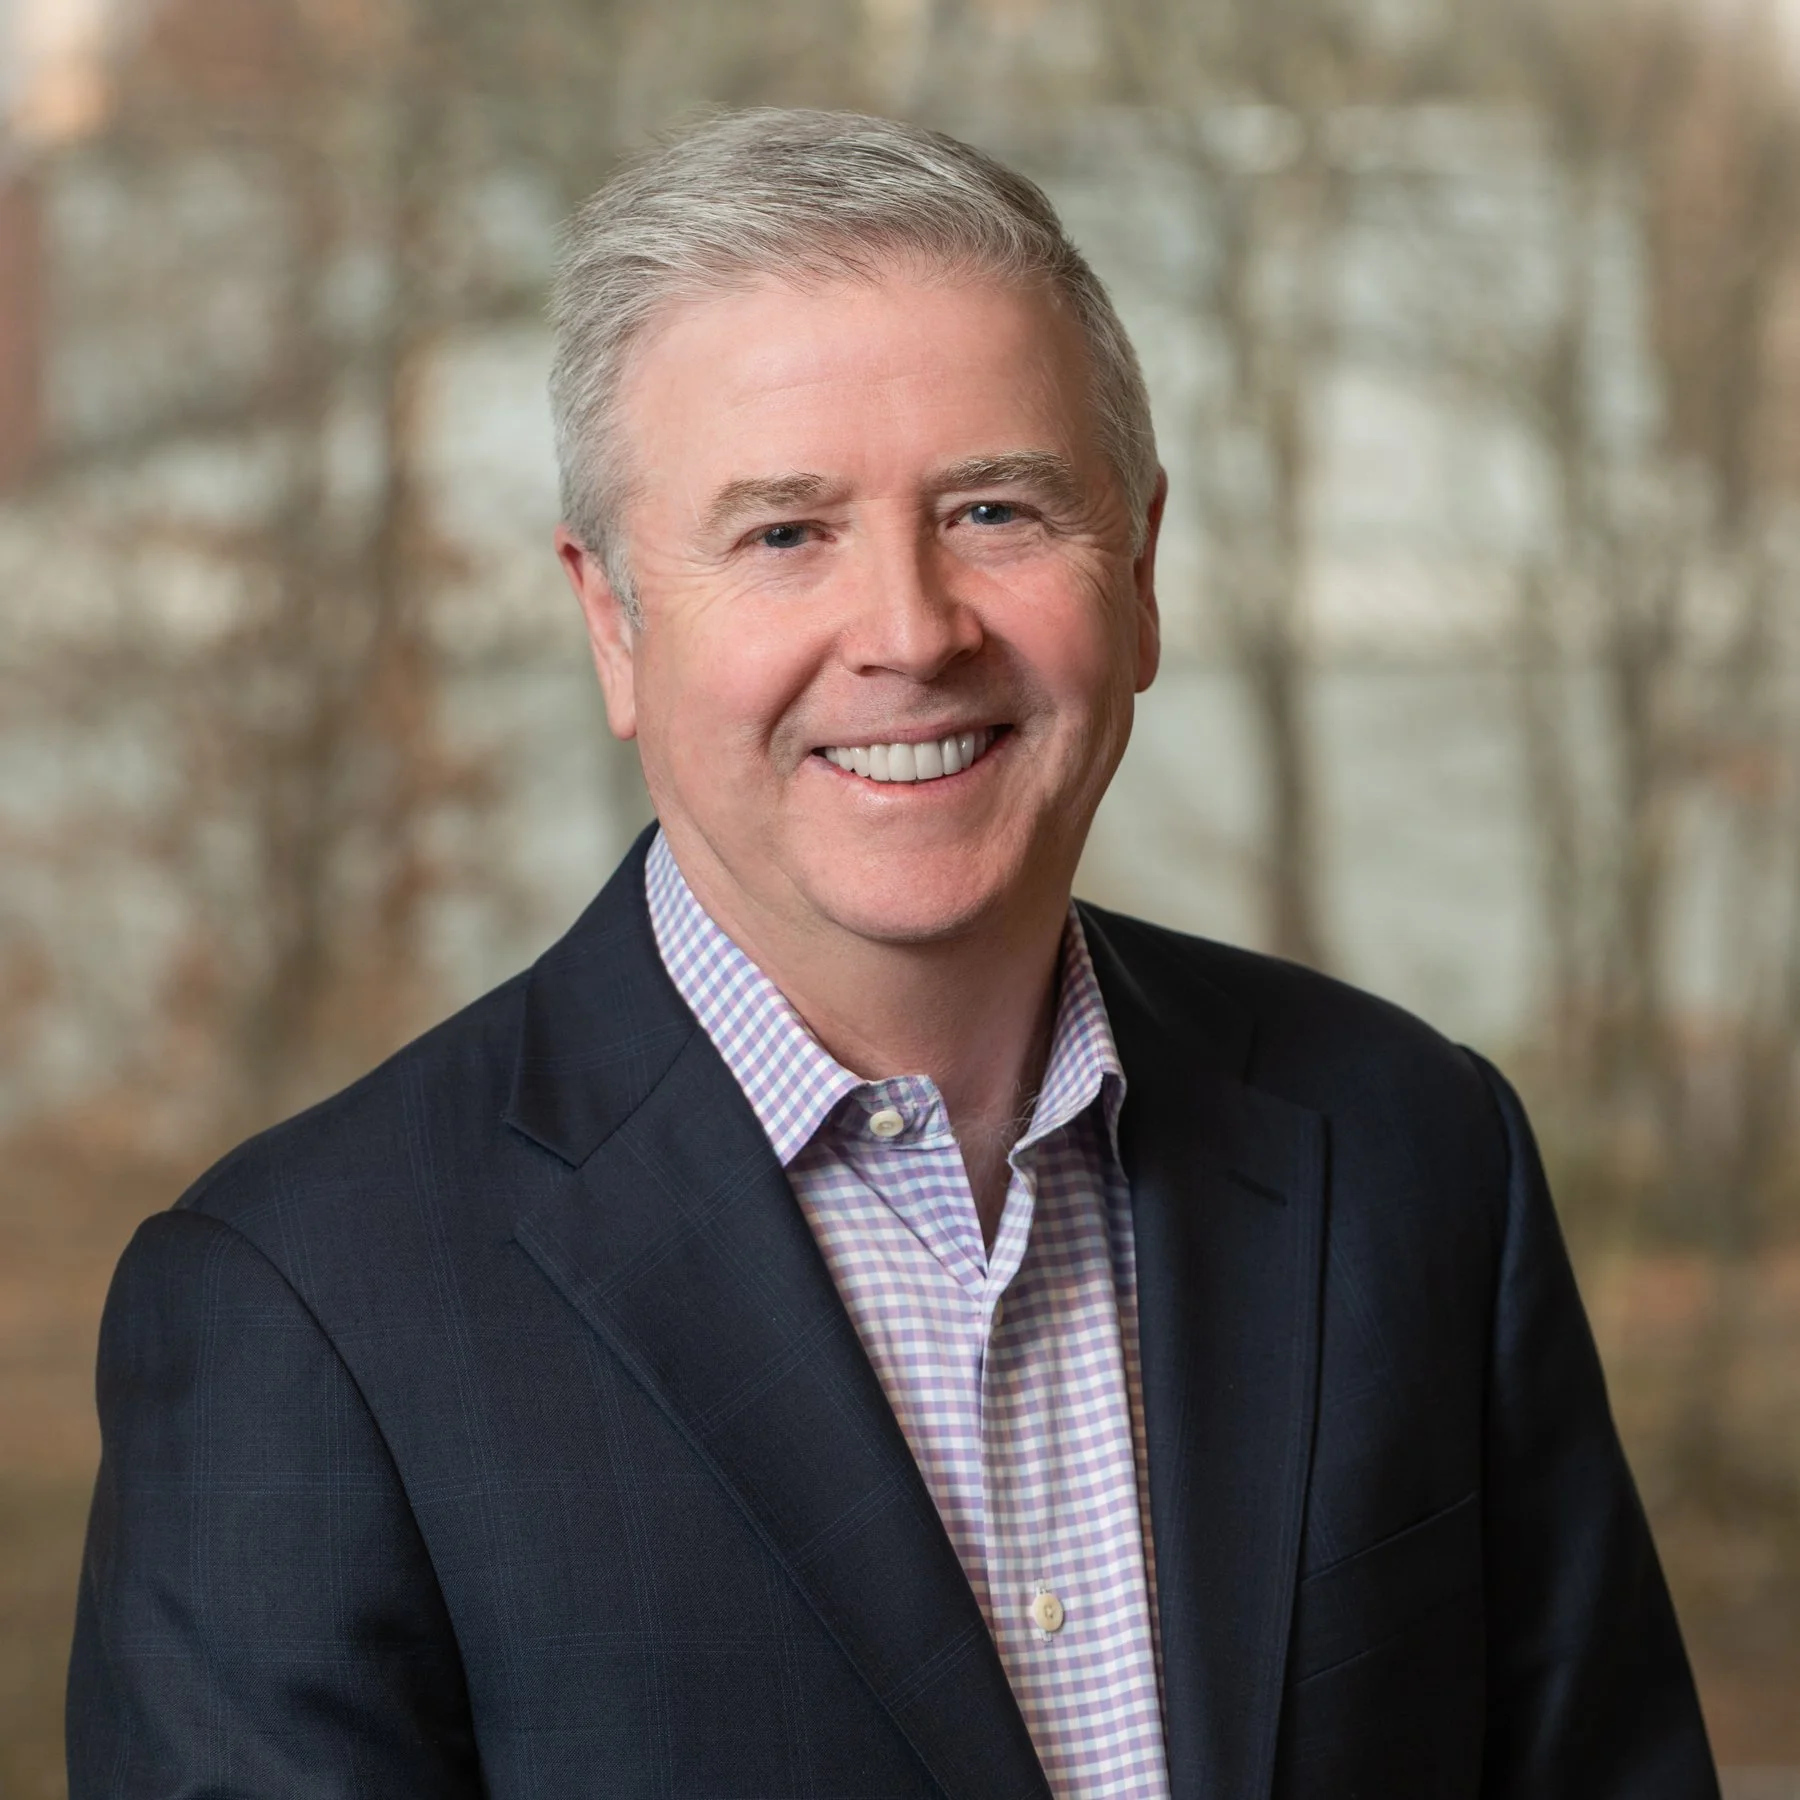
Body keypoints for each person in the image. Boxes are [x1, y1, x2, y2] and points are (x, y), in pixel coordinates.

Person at [67, 109, 1718, 1800]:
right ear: (611, 622)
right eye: (786, 534)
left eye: (996, 511)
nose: (914, 633)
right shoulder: (303, 1308)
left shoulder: (1411, 1150)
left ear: (1140, 573)